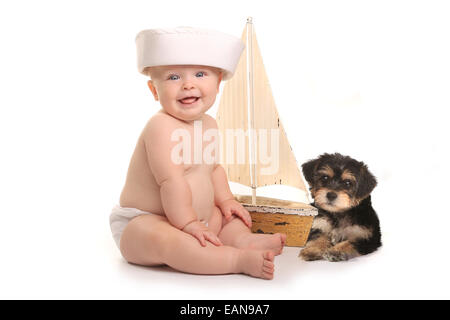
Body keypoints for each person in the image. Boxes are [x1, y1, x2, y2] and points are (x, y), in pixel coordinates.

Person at [109, 27, 286, 279]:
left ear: (218, 83)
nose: (188, 84)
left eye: (200, 74)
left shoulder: (209, 124)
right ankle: (236, 259)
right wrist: (188, 224)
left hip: (195, 219)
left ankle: (243, 241)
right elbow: (171, 181)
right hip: (146, 223)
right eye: (173, 77)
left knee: (225, 219)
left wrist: (226, 202)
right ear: (154, 90)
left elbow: (213, 169)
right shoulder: (161, 127)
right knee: (169, 241)